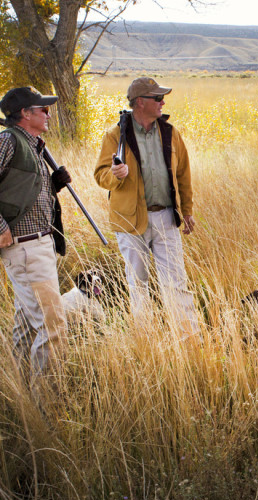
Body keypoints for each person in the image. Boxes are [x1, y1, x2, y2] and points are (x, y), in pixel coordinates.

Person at [0, 86, 70, 379]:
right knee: (52, 327)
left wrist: (51, 186)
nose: (48, 113)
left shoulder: (30, 144)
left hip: (37, 247)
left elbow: (18, 195)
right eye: (42, 109)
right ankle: (48, 411)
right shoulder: (8, 141)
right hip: (27, 250)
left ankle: (22, 390)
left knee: (29, 326)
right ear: (24, 113)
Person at [94, 77, 199, 339]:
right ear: (140, 102)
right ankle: (145, 339)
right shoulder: (115, 135)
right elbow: (100, 176)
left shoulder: (170, 132)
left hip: (165, 217)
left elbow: (183, 174)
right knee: (137, 284)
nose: (163, 102)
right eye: (157, 98)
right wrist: (115, 175)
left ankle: (189, 338)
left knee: (176, 282)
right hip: (130, 221)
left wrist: (186, 211)